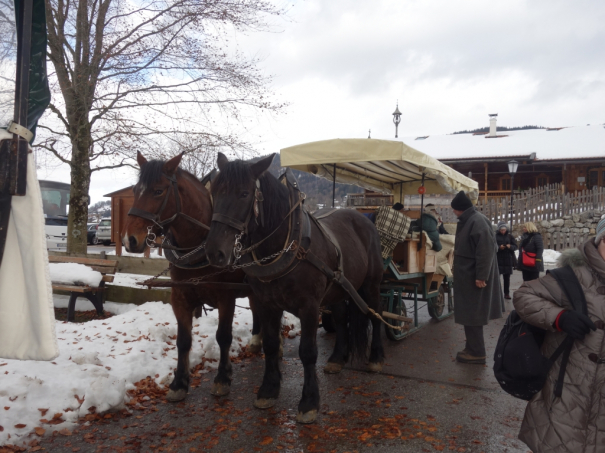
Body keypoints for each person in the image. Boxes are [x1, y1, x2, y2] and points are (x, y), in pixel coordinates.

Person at [512, 219, 605, 453]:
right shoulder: (571, 276)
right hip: (568, 395)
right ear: (600, 240)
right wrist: (559, 317)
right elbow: (525, 296)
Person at [451, 191, 503, 364]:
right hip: (468, 275)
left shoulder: (477, 221)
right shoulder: (470, 220)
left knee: (473, 313)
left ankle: (477, 352)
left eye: (454, 209)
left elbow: (485, 251)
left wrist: (481, 276)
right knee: (470, 313)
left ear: (459, 209)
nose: (453, 212)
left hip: (474, 276)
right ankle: (472, 347)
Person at [495, 222, 517, 300]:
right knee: (496, 277)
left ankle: (506, 293)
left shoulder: (510, 236)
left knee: (507, 277)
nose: (503, 231)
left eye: (504, 230)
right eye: (501, 230)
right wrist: (498, 247)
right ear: (499, 229)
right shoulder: (495, 236)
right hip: (498, 258)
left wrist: (510, 246)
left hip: (508, 259)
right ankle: (497, 293)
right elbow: (492, 246)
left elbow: (515, 246)